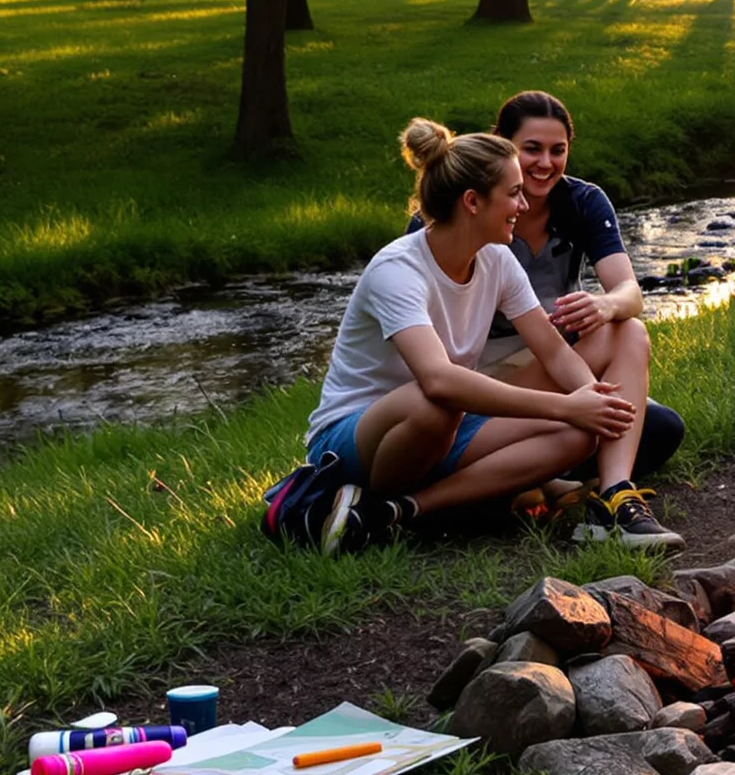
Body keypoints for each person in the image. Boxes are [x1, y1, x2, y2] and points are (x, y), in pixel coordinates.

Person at [264, 118, 683, 555]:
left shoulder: (496, 259)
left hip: (450, 423)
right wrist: (566, 405)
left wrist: (591, 401)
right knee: (433, 402)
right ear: (472, 202)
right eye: (514, 193)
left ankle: (397, 512)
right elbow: (439, 380)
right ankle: (385, 495)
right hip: (358, 437)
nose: (524, 204)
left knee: (578, 433)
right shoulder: (398, 269)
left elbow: (554, 351)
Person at [481, 89, 684, 526]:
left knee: (661, 427)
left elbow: (631, 293)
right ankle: (549, 482)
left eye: (558, 151)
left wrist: (605, 304)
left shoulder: (583, 201)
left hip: (558, 359)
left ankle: (607, 491)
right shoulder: (470, 206)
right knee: (621, 398)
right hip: (484, 376)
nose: (545, 163)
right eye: (531, 149)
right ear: (504, 146)